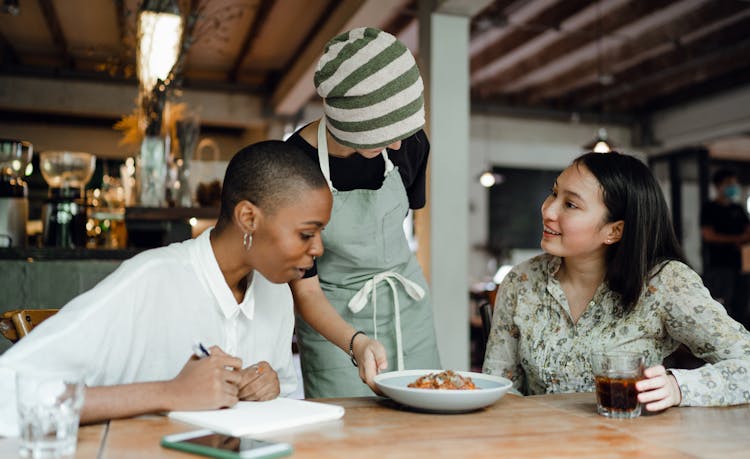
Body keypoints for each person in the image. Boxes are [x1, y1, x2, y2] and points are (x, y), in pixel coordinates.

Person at [0, 140, 333, 436]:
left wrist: (269, 387)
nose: (318, 249)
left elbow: (287, 398)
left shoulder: (274, 290)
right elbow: (9, 390)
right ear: (248, 218)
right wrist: (169, 392)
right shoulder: (150, 279)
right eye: (306, 234)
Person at [483, 151, 750, 410]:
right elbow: (500, 386)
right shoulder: (522, 280)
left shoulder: (664, 283)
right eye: (554, 193)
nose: (548, 210)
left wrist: (679, 387)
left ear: (614, 230)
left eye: (570, 204)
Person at [286, 27, 440, 398]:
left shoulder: (409, 143)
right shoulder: (292, 169)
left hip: (408, 310)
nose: (399, 142)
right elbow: (304, 290)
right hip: (333, 320)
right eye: (384, 133)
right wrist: (354, 341)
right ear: (350, 123)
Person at [700, 168, 750, 326]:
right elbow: (708, 235)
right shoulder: (710, 208)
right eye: (729, 184)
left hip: (740, 265)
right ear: (718, 186)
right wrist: (736, 239)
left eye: (735, 184)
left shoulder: (738, 209)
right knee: (722, 304)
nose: (733, 187)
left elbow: (748, 232)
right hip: (719, 266)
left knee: (741, 304)